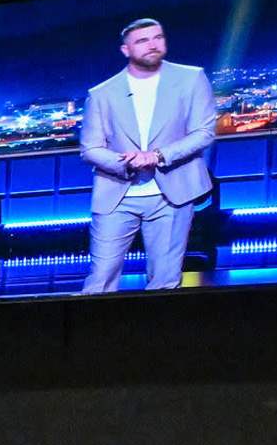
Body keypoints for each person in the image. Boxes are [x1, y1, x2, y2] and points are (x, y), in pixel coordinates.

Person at [77, 16, 217, 293]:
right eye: (142, 40)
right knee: (100, 280)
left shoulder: (191, 78)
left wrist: (158, 155)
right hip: (117, 196)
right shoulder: (102, 93)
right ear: (126, 50)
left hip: (173, 194)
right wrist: (126, 162)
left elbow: (204, 132)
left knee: (164, 282)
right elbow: (90, 148)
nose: (152, 45)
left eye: (158, 37)